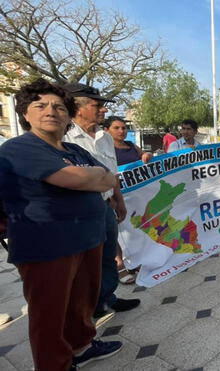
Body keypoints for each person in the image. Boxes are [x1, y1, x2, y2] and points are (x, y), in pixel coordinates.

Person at [0, 78, 122, 371]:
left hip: (87, 238)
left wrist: (93, 177)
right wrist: (90, 176)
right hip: (47, 247)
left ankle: (81, 346)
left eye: (58, 106)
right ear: (25, 113)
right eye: (40, 105)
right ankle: (55, 364)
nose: (50, 111)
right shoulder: (19, 148)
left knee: (81, 303)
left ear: (68, 114)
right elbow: (84, 179)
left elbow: (108, 176)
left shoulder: (73, 150)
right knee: (50, 313)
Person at [63, 82, 141, 318]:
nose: (103, 111)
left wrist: (119, 200)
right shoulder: (64, 136)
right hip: (80, 210)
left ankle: (106, 299)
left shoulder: (104, 138)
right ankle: (85, 309)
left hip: (106, 206)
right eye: (97, 105)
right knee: (85, 262)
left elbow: (112, 173)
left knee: (108, 257)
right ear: (78, 108)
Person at [103, 115, 151, 283]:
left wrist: (147, 155)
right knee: (117, 231)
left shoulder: (131, 145)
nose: (121, 131)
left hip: (136, 196)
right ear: (106, 130)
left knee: (134, 227)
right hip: (116, 194)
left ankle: (134, 260)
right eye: (116, 128)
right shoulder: (105, 149)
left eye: (123, 128)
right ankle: (120, 264)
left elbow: (145, 155)